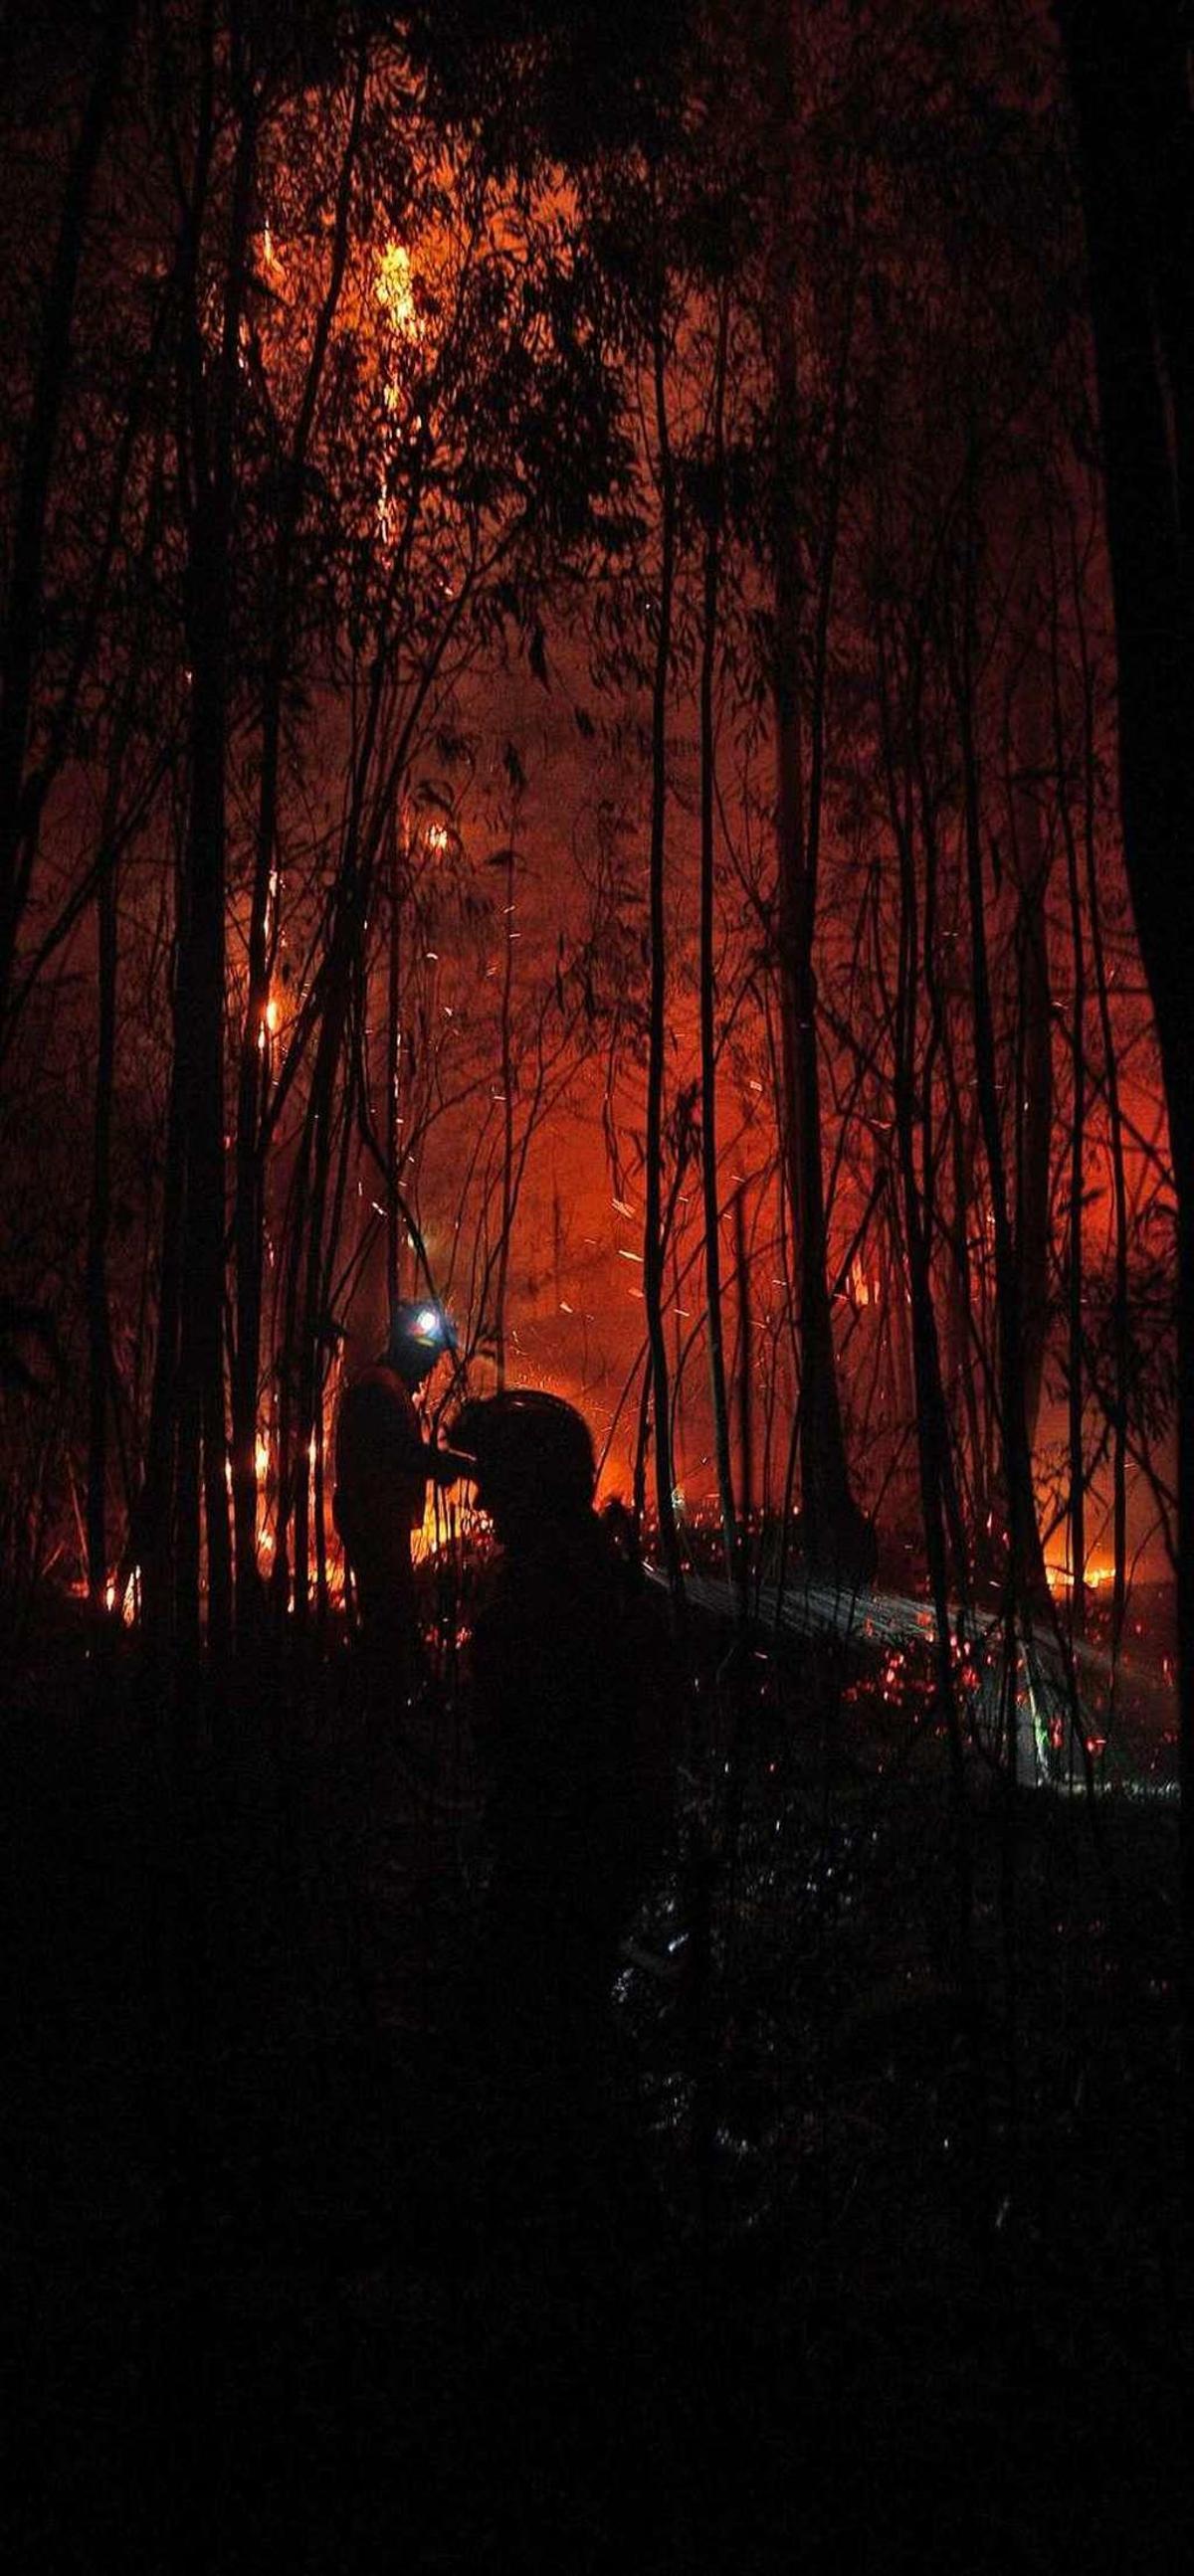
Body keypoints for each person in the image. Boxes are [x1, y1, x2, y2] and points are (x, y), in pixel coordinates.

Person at [449, 1390, 679, 2212]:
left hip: (566, 1848)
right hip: (586, 1842)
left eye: (496, 1482)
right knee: (559, 2025)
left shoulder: (559, 1592)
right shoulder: (589, 1573)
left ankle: (572, 2216)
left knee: (537, 2028)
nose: (482, 1502)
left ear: (533, 1485)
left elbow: (532, 1732)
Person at [333, 1300, 469, 1704]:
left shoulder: (385, 1386)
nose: (431, 1369)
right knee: (390, 1613)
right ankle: (387, 1704)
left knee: (393, 1611)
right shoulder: (380, 1388)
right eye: (429, 1358)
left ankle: (400, 1695)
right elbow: (398, 1453)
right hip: (372, 1519)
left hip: (376, 1517)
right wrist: (449, 1464)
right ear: (412, 1350)